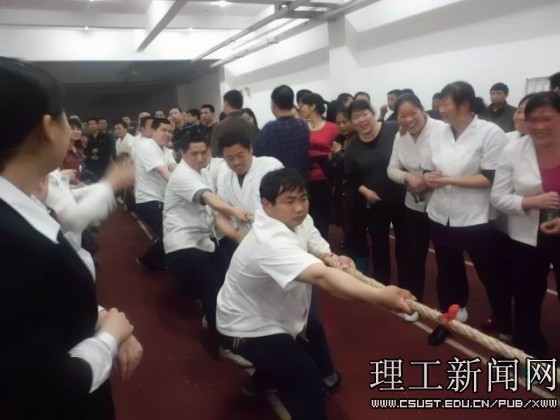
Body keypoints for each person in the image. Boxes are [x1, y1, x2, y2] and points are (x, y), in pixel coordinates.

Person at [0, 56, 141, 419]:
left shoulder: (19, 202)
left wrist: (99, 317)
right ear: (48, 127)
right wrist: (108, 338)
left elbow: (40, 308)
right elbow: (37, 385)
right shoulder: (15, 244)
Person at [216, 168, 413, 420]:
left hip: (269, 312)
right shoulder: (269, 241)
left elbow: (316, 245)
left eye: (303, 198)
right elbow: (322, 278)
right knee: (305, 377)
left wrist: (334, 258)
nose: (299, 207)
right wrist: (380, 296)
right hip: (244, 327)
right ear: (266, 204)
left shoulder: (297, 219)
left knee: (300, 337)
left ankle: (261, 380)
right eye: (289, 201)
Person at [421, 81, 509, 346]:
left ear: (465, 105)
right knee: (448, 274)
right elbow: (427, 168)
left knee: (491, 275)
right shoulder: (437, 133)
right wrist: (429, 177)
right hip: (441, 215)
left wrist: (449, 180)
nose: (440, 109)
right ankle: (450, 319)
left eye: (445, 104)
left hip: (476, 218)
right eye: (439, 104)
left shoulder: (490, 133)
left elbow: (490, 177)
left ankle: (506, 328)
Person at [491, 91, 560, 357]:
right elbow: (498, 197)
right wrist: (531, 201)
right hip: (526, 236)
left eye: (547, 118)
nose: (539, 126)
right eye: (532, 119)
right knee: (527, 296)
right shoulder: (513, 150)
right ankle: (529, 351)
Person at [163, 128, 248, 332]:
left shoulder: (204, 173)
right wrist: (233, 211)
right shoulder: (182, 175)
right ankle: (223, 340)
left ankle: (217, 319)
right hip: (183, 244)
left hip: (203, 241)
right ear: (183, 153)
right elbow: (209, 198)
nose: (200, 158)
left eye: (204, 152)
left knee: (230, 279)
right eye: (194, 153)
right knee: (214, 290)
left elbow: (216, 204)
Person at [387, 94, 446, 321]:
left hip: (441, 201)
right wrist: (409, 178)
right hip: (414, 202)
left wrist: (426, 181)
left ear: (422, 110)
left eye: (413, 113)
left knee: (445, 257)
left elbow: (452, 165)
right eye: (402, 116)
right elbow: (392, 169)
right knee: (415, 253)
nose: (409, 119)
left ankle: (449, 308)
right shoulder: (400, 136)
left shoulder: (441, 129)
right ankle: (413, 302)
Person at [344, 100, 405, 285]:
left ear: (373, 113)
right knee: (379, 247)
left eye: (365, 114)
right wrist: (366, 192)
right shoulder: (352, 146)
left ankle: (407, 286)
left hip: (404, 200)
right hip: (376, 202)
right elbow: (352, 177)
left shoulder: (393, 128)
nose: (362, 120)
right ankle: (381, 286)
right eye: (356, 117)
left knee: (405, 246)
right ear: (351, 122)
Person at [134, 117, 176, 270]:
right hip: (148, 200)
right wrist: (186, 189)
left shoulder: (165, 150)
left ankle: (158, 260)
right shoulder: (147, 146)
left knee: (170, 232)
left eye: (170, 131)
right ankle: (146, 260)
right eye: (163, 130)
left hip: (161, 198)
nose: (167, 134)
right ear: (152, 132)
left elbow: (175, 169)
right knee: (169, 234)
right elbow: (164, 172)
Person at [299, 92, 338, 240]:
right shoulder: (301, 127)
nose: (300, 108)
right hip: (305, 179)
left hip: (325, 179)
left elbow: (338, 151)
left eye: (302, 105)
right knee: (306, 219)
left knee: (322, 219)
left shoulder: (332, 127)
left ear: (312, 106)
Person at [253, 84, 310, 181]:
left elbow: (257, 156)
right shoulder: (303, 126)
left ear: (274, 105)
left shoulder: (268, 129)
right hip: (300, 180)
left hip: (277, 183)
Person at [211, 90, 257, 156]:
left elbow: (215, 153)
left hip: (227, 161)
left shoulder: (219, 127)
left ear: (226, 103)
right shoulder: (250, 126)